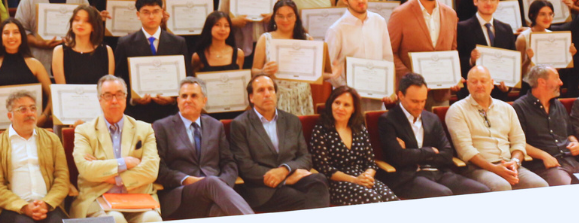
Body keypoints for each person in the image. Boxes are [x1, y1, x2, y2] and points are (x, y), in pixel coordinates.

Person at [152, 76, 253, 219]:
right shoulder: (162, 127)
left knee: (219, 212)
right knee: (211, 183)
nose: (188, 100)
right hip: (181, 195)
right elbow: (159, 168)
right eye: (184, 96)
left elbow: (229, 163)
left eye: (194, 96)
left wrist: (221, 184)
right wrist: (187, 179)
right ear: (178, 101)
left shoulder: (215, 126)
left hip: (214, 194)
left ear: (204, 101)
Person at [377, 73, 489, 198]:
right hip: (409, 177)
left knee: (482, 190)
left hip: (439, 172)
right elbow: (398, 157)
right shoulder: (388, 120)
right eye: (414, 101)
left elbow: (447, 155)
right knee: (443, 193)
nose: (419, 106)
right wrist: (430, 151)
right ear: (401, 96)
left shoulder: (432, 118)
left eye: (423, 101)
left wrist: (412, 153)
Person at [228, 75, 329, 211]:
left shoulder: (292, 120)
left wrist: (285, 169)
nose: (267, 94)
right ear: (251, 97)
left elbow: (305, 158)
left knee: (319, 180)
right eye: (261, 90)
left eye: (271, 89)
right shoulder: (240, 125)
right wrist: (284, 180)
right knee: (305, 198)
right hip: (262, 189)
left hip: (292, 177)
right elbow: (245, 166)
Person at [69, 75, 161, 223]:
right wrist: (124, 163)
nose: (114, 100)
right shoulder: (84, 131)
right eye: (108, 95)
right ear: (99, 99)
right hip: (98, 198)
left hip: (137, 198)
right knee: (115, 219)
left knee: (152, 219)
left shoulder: (144, 129)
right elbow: (86, 169)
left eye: (119, 94)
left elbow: (150, 170)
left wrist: (115, 177)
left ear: (125, 98)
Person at [444, 66, 548, 191]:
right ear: (467, 85)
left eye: (483, 81)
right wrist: (495, 169)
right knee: (501, 186)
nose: (479, 85)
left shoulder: (507, 108)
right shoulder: (457, 110)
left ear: (492, 84)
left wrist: (515, 163)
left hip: (510, 165)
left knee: (540, 186)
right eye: (474, 81)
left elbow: (518, 141)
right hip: (477, 168)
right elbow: (465, 150)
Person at [0, 89, 72, 223]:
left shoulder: (52, 140)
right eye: (23, 109)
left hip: (49, 206)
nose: (30, 113)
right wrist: (24, 207)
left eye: (32, 108)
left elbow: (62, 178)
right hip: (13, 209)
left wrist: (46, 204)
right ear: (10, 116)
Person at [512, 65, 579, 185]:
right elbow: (519, 142)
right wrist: (543, 155)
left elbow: (569, 134)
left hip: (571, 162)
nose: (561, 82)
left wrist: (575, 143)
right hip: (545, 166)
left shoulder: (558, 105)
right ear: (542, 82)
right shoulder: (520, 107)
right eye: (557, 78)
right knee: (569, 189)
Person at [310, 87, 398, 205]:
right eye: (337, 103)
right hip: (337, 183)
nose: (340, 108)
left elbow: (370, 163)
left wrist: (366, 177)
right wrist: (355, 180)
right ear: (330, 104)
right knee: (373, 200)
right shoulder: (321, 130)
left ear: (353, 109)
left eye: (346, 105)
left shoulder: (359, 129)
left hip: (362, 178)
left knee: (392, 200)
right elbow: (324, 169)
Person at [388, 0, 460, 107]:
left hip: (441, 92)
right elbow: (391, 52)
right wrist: (409, 78)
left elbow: (452, 50)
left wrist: (455, 76)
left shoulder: (450, 14)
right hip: (410, 92)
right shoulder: (400, 14)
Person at [114, 0, 190, 123]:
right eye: (146, 12)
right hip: (138, 113)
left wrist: (173, 99)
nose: (151, 16)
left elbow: (187, 77)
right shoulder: (125, 43)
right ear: (138, 15)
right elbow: (120, 78)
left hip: (170, 113)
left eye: (156, 11)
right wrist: (133, 99)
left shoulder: (178, 42)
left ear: (162, 13)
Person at [326, 0, 396, 111]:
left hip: (377, 95)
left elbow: (387, 58)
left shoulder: (379, 21)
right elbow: (330, 69)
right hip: (347, 100)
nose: (360, 0)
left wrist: (388, 88)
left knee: (375, 129)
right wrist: (348, 90)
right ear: (345, 0)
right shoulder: (336, 29)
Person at [456, 0, 517, 94]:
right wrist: (471, 60)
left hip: (498, 92)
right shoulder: (462, 28)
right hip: (472, 91)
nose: (489, 2)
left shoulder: (506, 29)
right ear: (475, 1)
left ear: (498, 2)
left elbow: (512, 61)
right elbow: (456, 60)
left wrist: (508, 86)